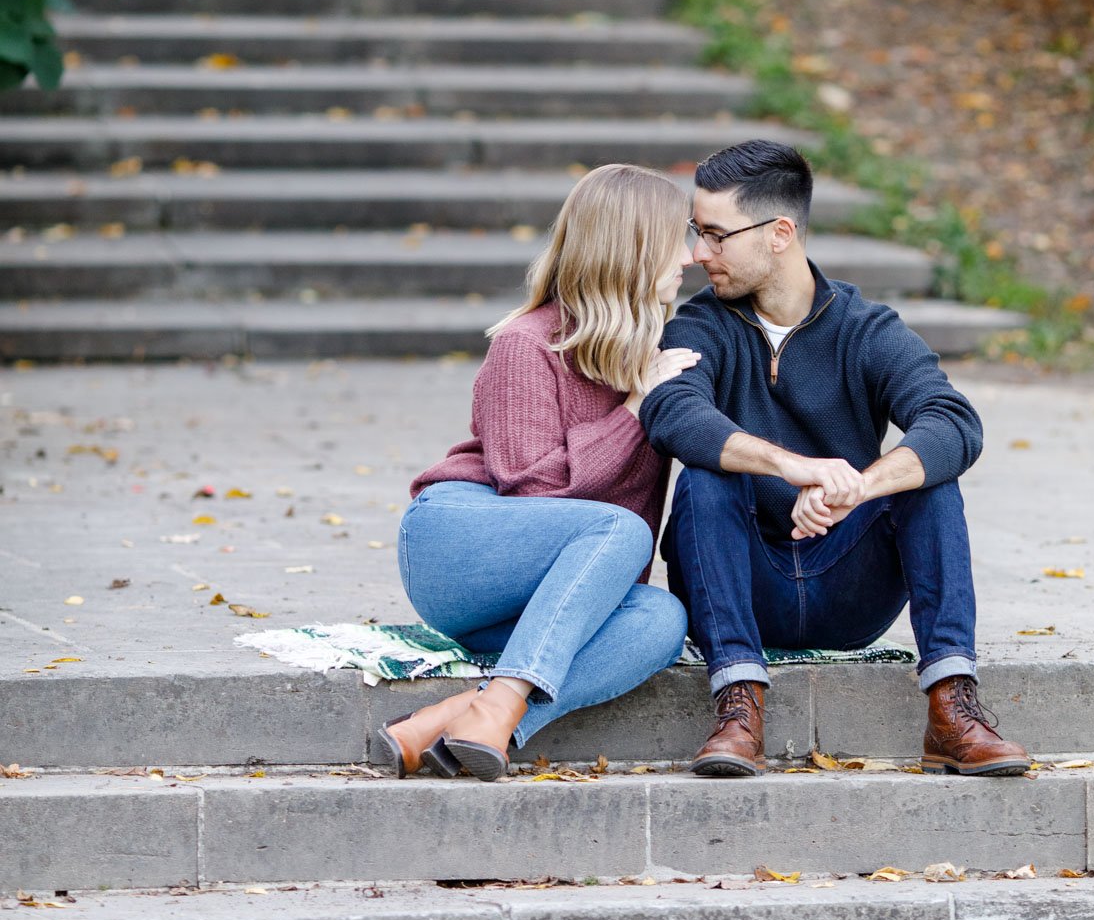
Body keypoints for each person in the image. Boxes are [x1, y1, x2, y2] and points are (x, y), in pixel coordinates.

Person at [638, 138, 1030, 780]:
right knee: (706, 478)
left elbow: (953, 421)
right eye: (695, 232)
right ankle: (738, 706)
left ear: (778, 233)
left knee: (930, 482)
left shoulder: (866, 329)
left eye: (714, 234)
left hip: (846, 584)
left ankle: (952, 708)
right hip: (741, 584)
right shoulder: (701, 325)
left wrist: (861, 487)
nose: (698, 253)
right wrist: (792, 466)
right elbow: (673, 412)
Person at [381, 163, 695, 781]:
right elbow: (533, 489)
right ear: (631, 248)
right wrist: (633, 411)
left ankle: (471, 720)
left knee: (662, 620)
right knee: (621, 531)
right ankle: (490, 708)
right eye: (674, 240)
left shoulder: (649, 352)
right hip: (456, 545)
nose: (688, 257)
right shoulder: (526, 345)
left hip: (538, 592)